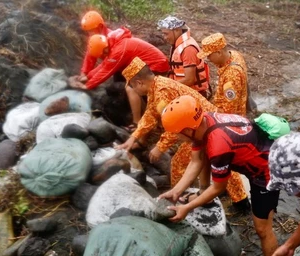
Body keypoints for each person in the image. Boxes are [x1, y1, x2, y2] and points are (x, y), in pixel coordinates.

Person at [158, 95, 280, 256]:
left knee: (263, 228)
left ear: (187, 130)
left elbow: (219, 187)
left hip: (266, 171)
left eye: (177, 135)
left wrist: (187, 207)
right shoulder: (203, 122)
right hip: (253, 153)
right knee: (204, 155)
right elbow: (197, 160)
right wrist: (177, 191)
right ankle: (200, 195)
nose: (178, 139)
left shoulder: (218, 142)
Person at [115, 57, 217, 189]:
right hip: (202, 123)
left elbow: (175, 125)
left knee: (180, 164)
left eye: (133, 86)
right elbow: (150, 115)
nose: (134, 90)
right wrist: (134, 137)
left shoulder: (162, 93)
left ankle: (181, 195)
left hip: (202, 126)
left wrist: (160, 147)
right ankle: (223, 195)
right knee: (214, 159)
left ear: (139, 83)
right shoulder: (156, 85)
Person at [196, 32, 253, 210]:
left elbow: (227, 111)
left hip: (228, 123)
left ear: (219, 52)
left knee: (225, 159)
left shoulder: (231, 77)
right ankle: (225, 190)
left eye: (210, 56)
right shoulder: (234, 56)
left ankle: (241, 201)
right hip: (234, 116)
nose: (208, 60)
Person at [70, 33, 169, 127]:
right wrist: (88, 77)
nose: (102, 58)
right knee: (124, 78)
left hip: (156, 66)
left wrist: (87, 86)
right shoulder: (112, 42)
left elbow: (106, 71)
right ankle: (142, 110)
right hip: (145, 64)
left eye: (101, 55)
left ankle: (137, 121)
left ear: (104, 50)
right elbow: (105, 65)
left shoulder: (118, 51)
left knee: (131, 88)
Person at [157, 16, 210, 98]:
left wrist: (168, 86)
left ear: (177, 30)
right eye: (163, 34)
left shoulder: (188, 49)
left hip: (194, 96)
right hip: (183, 92)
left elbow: (189, 80)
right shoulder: (177, 45)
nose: (165, 37)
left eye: (166, 34)